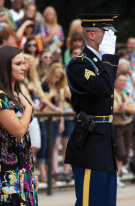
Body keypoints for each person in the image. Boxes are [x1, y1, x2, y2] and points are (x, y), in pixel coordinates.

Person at [65, 14, 120, 206]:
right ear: (92, 35)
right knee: (90, 202)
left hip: (105, 141)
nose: (111, 38)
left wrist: (107, 59)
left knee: (107, 202)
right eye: (107, 33)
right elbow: (104, 88)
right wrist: (109, 58)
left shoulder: (102, 64)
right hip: (90, 143)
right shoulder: (79, 64)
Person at [0, 45, 38, 205]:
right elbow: (19, 130)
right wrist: (28, 107)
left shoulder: (15, 93)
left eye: (24, 63)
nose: (24, 67)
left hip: (23, 161)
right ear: (5, 67)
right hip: (5, 165)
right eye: (18, 64)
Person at [113, 72, 135, 188]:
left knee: (125, 153)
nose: (122, 82)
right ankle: (114, 176)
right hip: (117, 125)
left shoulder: (127, 94)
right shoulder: (113, 93)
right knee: (120, 152)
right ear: (116, 81)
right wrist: (125, 106)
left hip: (128, 124)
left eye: (124, 81)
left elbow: (133, 108)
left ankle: (117, 176)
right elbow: (115, 108)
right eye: (120, 80)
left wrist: (126, 107)